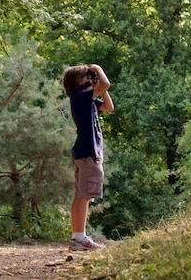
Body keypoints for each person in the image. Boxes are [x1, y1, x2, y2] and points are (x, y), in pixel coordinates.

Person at [62, 63, 114, 250]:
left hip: (84, 153)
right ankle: (80, 238)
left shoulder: (87, 99)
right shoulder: (80, 97)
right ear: (78, 82)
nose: (91, 78)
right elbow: (106, 84)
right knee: (84, 196)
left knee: (80, 196)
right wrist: (99, 70)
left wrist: (97, 87)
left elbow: (109, 107)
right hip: (87, 153)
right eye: (87, 76)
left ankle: (77, 237)